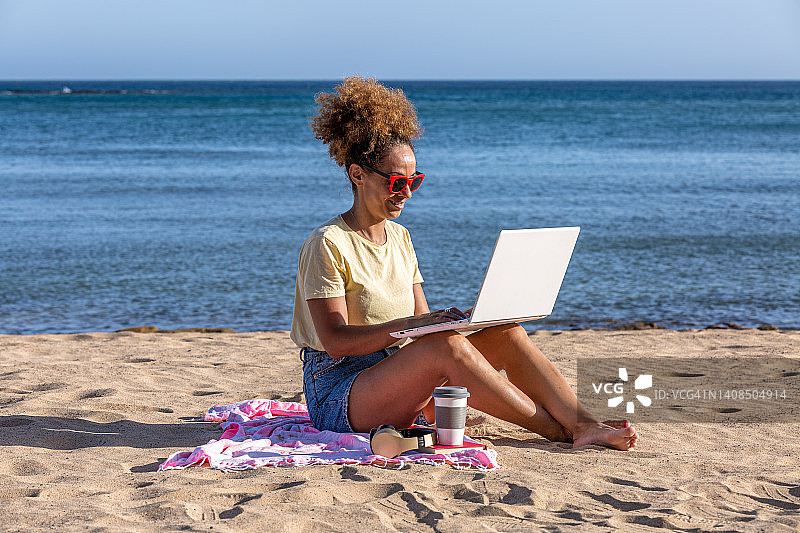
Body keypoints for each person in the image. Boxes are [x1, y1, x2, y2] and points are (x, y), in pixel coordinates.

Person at [290, 77, 638, 450]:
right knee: (446, 348)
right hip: (341, 394)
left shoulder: (401, 238)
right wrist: (413, 326)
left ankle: (582, 422)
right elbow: (336, 342)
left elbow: (422, 330)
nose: (406, 193)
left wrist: (464, 321)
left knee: (506, 332)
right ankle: (559, 431)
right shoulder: (328, 243)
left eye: (414, 182)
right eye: (396, 183)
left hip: (397, 377)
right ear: (358, 175)